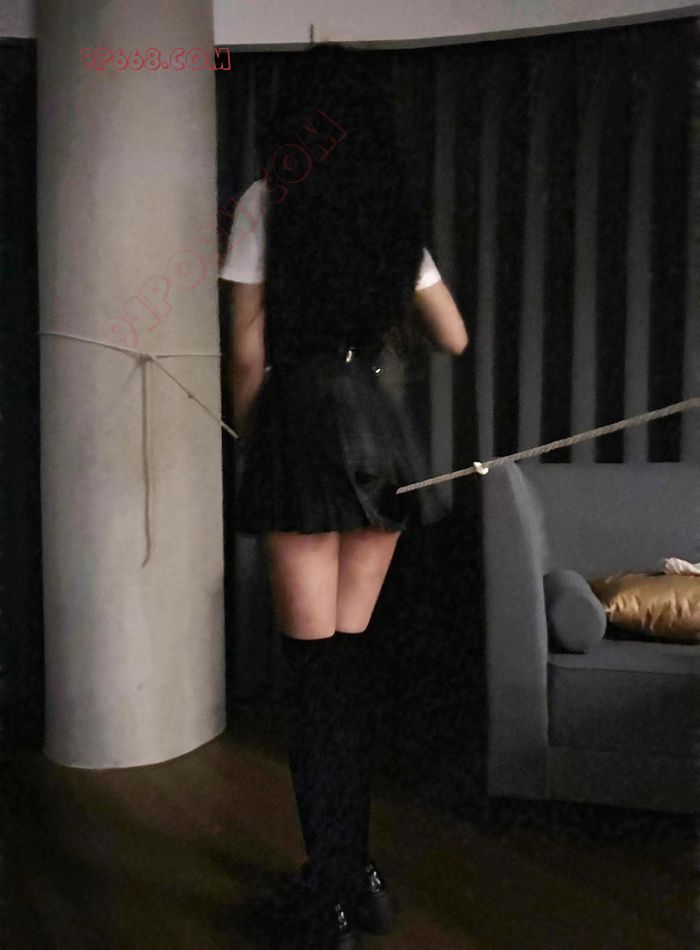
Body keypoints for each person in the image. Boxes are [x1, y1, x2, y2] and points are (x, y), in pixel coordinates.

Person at [219, 41, 468, 949]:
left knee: (313, 675)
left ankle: (325, 899)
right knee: (351, 667)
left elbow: (247, 352)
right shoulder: (390, 211)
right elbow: (455, 336)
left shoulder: (266, 199)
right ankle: (356, 875)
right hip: (377, 432)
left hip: (298, 422)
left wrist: (254, 440)